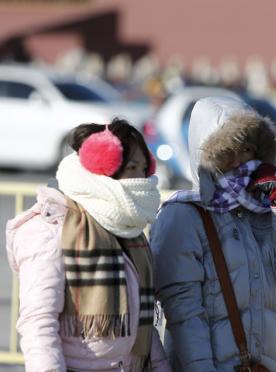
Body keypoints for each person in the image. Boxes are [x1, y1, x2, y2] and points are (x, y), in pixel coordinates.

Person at [151, 96, 276, 371]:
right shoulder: (183, 215)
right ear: (205, 154)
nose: (240, 162)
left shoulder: (261, 210)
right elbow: (185, 317)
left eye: (248, 149)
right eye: (228, 151)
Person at [6, 119, 171, 372]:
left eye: (143, 168)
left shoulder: (127, 230)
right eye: (131, 167)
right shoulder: (49, 230)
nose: (140, 178)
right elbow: (38, 323)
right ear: (103, 169)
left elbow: (143, 328)